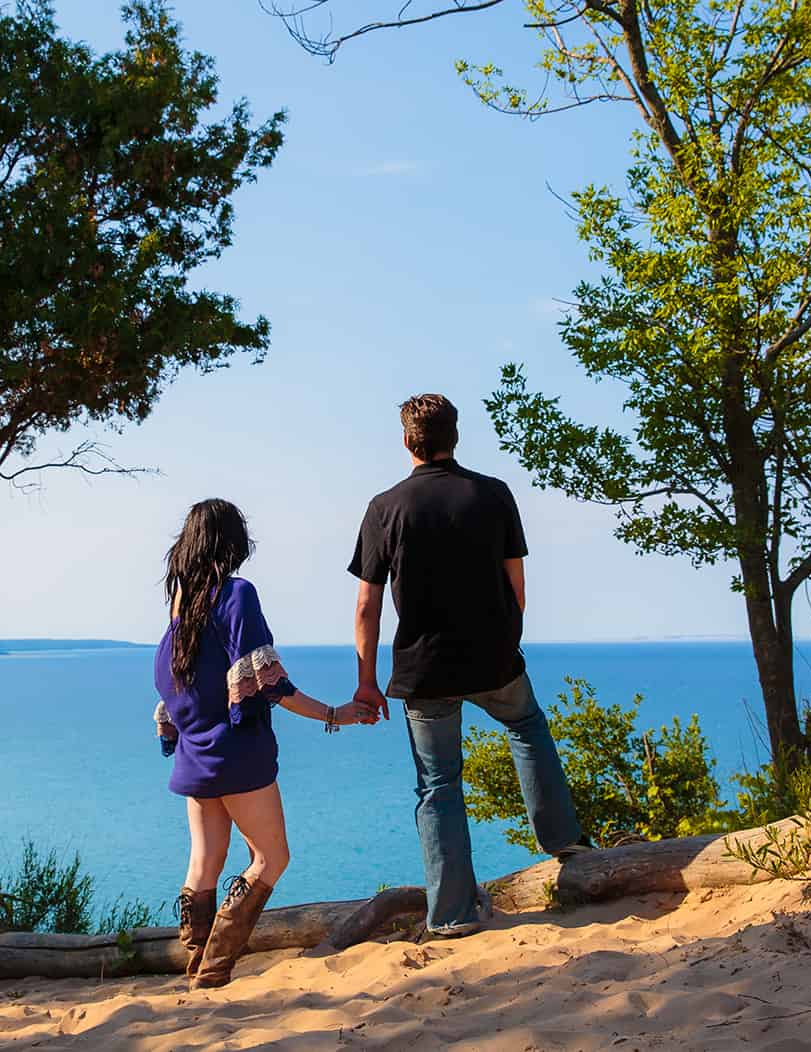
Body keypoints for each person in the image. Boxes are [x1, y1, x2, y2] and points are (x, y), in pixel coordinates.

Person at [348, 394, 591, 937]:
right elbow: (516, 586)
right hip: (494, 656)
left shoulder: (385, 507)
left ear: (407, 440)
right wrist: (506, 641)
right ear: (455, 436)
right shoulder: (494, 494)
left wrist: (367, 683)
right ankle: (565, 843)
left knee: (438, 784)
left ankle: (454, 914)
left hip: (424, 667)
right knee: (526, 727)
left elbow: (367, 604)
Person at [153, 498, 374, 989]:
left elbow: (176, 690)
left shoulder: (180, 605)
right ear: (232, 543)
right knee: (272, 858)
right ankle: (214, 968)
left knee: (204, 862)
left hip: (194, 756)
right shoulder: (237, 595)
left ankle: (197, 967)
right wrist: (335, 714)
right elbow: (271, 684)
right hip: (239, 754)